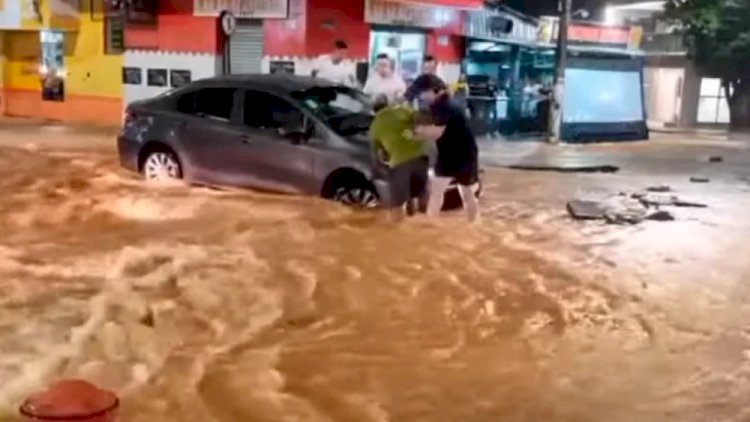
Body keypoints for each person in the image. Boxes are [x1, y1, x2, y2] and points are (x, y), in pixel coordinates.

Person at [411, 74, 480, 222]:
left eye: (423, 92)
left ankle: (472, 225)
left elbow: (437, 132)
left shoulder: (444, 105)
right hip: (448, 153)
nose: (421, 96)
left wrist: (414, 132)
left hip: (464, 156)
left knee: (466, 193)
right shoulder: (441, 103)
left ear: (433, 90)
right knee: (437, 191)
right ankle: (432, 224)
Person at [369, 95, 429, 220]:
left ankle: (398, 232)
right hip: (421, 156)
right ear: (388, 104)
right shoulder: (402, 110)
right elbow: (420, 118)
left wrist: (377, 171)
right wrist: (413, 131)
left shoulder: (374, 126)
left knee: (397, 203)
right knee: (420, 194)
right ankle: (425, 223)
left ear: (373, 110)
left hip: (399, 162)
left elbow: (377, 154)